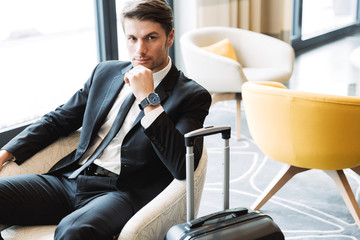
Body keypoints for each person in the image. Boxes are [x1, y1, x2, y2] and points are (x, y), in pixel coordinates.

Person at [0, 0, 211, 239]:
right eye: (132, 38)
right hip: (72, 179)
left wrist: (149, 99)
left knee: (73, 231)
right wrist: (5, 154)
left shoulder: (192, 96)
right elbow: (58, 120)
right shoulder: (105, 73)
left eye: (150, 38)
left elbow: (182, 166)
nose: (139, 50)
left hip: (122, 192)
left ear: (169, 37)